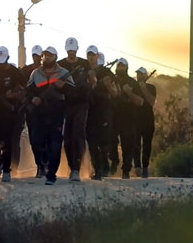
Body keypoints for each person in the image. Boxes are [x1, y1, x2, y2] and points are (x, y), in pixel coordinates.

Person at [26, 46, 75, 185]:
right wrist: (33, 99)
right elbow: (28, 91)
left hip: (57, 114)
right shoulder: (35, 73)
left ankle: (51, 175)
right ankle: (44, 159)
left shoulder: (64, 73)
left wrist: (63, 87)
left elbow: (73, 93)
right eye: (44, 55)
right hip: (39, 114)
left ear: (55, 57)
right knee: (36, 141)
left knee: (55, 145)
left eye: (49, 56)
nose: (46, 58)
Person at [0, 46, 27, 182]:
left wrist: (14, 95)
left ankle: (7, 170)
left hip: (9, 111)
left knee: (7, 139)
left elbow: (25, 88)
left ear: (8, 58)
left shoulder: (14, 72)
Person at [57, 37, 92, 182]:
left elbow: (91, 82)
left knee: (78, 134)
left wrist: (91, 81)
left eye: (73, 50)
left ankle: (76, 168)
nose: (71, 53)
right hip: (66, 104)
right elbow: (56, 84)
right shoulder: (60, 65)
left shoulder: (84, 64)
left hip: (81, 103)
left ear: (77, 49)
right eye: (69, 50)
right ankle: (72, 166)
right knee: (67, 138)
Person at [84, 45, 117, 180]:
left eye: (93, 55)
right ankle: (97, 169)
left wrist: (108, 85)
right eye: (89, 55)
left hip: (103, 110)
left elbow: (115, 93)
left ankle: (104, 167)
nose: (91, 57)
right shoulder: (84, 71)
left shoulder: (106, 72)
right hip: (89, 110)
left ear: (97, 56)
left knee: (103, 142)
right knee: (91, 142)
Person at [113, 58, 144, 179]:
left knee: (127, 145)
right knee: (110, 142)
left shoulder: (132, 83)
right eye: (119, 66)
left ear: (126, 67)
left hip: (128, 118)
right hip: (113, 117)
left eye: (122, 66)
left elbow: (140, 102)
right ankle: (114, 161)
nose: (120, 68)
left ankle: (126, 170)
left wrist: (129, 93)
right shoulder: (112, 80)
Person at [20, 45, 46, 177]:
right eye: (34, 56)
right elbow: (23, 89)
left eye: (38, 56)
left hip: (46, 109)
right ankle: (40, 165)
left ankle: (45, 164)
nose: (36, 58)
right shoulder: (25, 71)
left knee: (45, 138)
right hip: (31, 110)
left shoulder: (48, 71)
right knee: (34, 139)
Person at [134, 67, 157, 178]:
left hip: (148, 120)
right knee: (136, 143)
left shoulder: (151, 87)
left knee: (147, 144)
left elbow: (152, 101)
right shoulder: (134, 86)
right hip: (136, 119)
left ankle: (145, 167)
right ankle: (137, 166)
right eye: (138, 74)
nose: (139, 76)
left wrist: (144, 89)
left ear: (145, 75)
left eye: (141, 74)